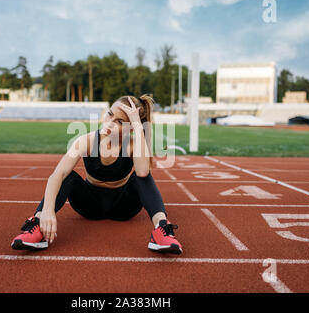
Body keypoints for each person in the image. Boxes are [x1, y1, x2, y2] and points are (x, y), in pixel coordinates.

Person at [10, 94, 183, 254]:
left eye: (120, 122)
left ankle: (161, 230)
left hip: (123, 207)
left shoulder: (132, 144)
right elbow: (57, 174)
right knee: (68, 177)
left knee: (142, 177)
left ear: (131, 127)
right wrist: (47, 211)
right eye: (109, 114)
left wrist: (138, 126)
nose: (109, 123)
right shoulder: (85, 141)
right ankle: (37, 225)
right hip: (89, 205)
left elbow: (143, 171)